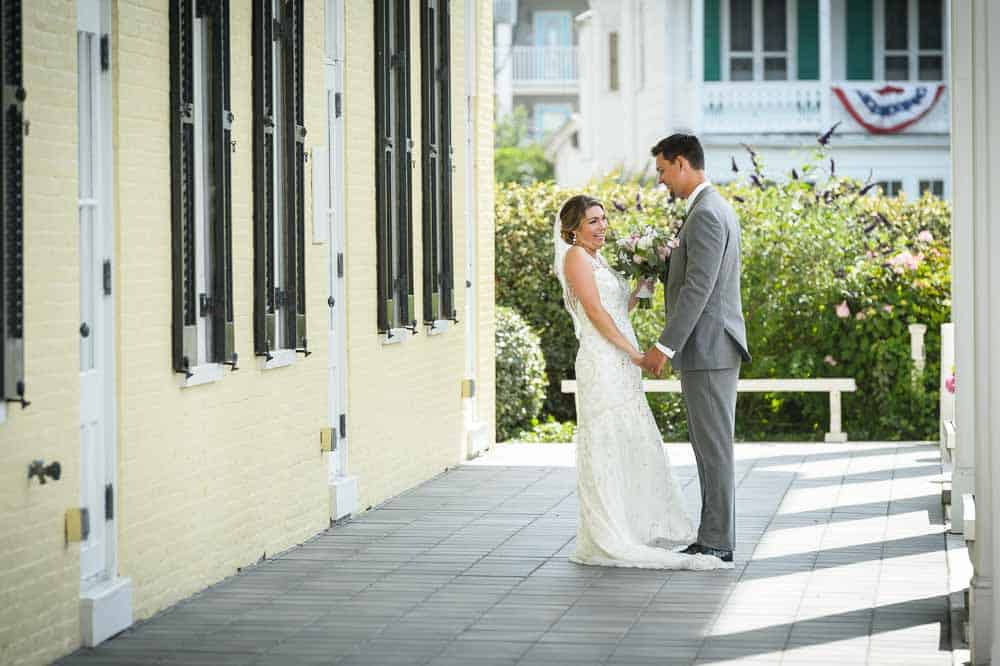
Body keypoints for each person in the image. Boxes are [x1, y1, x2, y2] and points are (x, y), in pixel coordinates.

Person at [554, 194, 729, 570]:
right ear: (573, 229)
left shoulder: (597, 259)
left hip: (621, 360)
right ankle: (611, 528)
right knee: (607, 439)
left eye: (603, 219)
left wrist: (643, 286)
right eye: (593, 222)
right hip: (603, 362)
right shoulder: (575, 259)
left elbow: (617, 307)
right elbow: (596, 314)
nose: (603, 227)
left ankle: (635, 523)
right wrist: (632, 353)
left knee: (631, 436)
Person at [640, 134, 752, 564]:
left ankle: (718, 541)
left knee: (713, 448)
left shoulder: (705, 214)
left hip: (708, 349)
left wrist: (664, 347)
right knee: (709, 447)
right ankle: (712, 536)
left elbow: (698, 289)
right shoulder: (712, 208)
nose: (662, 181)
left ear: (683, 163)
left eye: (664, 171)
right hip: (711, 349)